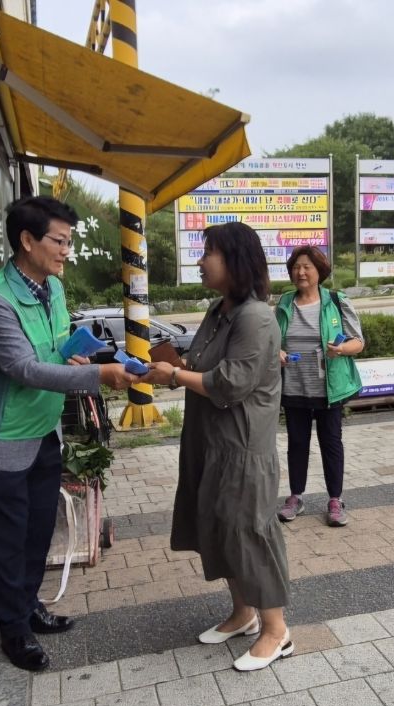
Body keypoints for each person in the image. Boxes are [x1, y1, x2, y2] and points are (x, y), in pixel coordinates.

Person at [0, 196, 136, 672]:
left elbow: (55, 350)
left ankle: (28, 605)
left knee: (39, 528)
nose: (67, 251)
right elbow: (23, 368)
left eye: (69, 241)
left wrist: (75, 356)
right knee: (7, 538)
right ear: (27, 240)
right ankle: (12, 629)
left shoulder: (52, 289)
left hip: (43, 428)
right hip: (2, 438)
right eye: (59, 241)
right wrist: (98, 377)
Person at [138, 222, 291, 672]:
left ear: (236, 260)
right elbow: (201, 364)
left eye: (209, 252)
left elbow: (232, 383)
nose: (201, 261)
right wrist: (171, 365)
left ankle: (276, 630)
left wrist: (173, 377)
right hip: (209, 442)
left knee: (249, 533)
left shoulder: (255, 316)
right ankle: (243, 614)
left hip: (243, 448)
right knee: (219, 528)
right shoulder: (217, 309)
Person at [275, 246, 364, 527]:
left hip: (328, 388)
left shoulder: (336, 301)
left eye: (307, 267)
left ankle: (335, 500)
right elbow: (273, 340)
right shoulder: (284, 303)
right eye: (296, 267)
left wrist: (341, 349)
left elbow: (358, 342)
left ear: (319, 271)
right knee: (297, 444)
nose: (300, 272)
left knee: (331, 443)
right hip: (294, 386)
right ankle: (295, 497)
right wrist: (276, 352)